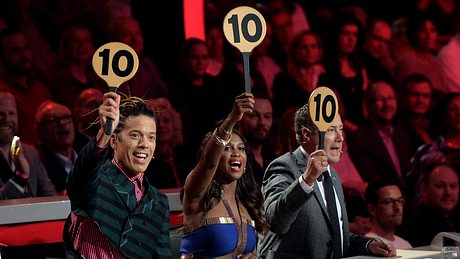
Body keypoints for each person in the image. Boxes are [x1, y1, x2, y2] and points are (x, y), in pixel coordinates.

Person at [257, 103, 395, 258]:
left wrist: (368, 245)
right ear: (306, 135)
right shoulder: (283, 166)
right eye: (330, 130)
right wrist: (306, 180)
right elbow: (276, 223)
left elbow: (334, 237)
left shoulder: (333, 175)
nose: (340, 137)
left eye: (340, 129)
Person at [64, 92, 171, 258]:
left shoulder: (159, 203)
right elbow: (81, 174)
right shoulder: (95, 181)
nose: (144, 144)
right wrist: (104, 134)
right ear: (114, 141)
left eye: (151, 137)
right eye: (135, 135)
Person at [180, 93, 267, 258]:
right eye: (227, 148)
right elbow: (208, 163)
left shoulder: (247, 203)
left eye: (241, 149)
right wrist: (232, 119)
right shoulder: (197, 195)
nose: (236, 153)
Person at [347, 81, 414, 186]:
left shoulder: (403, 134)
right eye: (380, 99)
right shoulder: (359, 139)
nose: (387, 104)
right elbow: (372, 178)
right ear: (368, 105)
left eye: (390, 98)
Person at [0, 90, 56, 199]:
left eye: (11, 113)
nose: (7, 119)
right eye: (0, 114)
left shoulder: (30, 152)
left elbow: (50, 196)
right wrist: (20, 177)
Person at [401, 160, 459, 247]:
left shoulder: (455, 220)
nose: (448, 192)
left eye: (453, 186)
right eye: (440, 186)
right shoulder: (414, 228)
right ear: (424, 189)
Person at [35, 101, 78, 195]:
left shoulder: (89, 154)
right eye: (53, 119)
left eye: (66, 117)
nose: (62, 123)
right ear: (40, 131)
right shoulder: (37, 162)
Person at [237, 94, 275, 186]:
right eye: (254, 116)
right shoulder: (234, 159)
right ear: (239, 119)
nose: (262, 122)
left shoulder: (273, 159)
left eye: (267, 116)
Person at [364, 181, 412, 249]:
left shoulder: (405, 244)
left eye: (399, 201)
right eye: (388, 202)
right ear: (372, 209)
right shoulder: (368, 246)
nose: (397, 207)